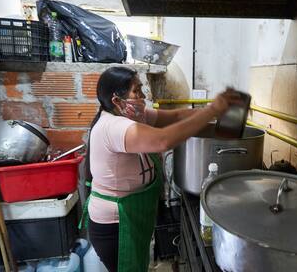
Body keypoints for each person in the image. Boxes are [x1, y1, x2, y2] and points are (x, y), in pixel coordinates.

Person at [80, 67, 240, 272]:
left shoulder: (134, 116)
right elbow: (163, 140)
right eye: (136, 91)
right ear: (116, 100)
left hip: (132, 213)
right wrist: (213, 110)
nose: (143, 96)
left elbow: (177, 115)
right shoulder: (113, 126)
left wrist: (214, 113)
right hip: (115, 225)